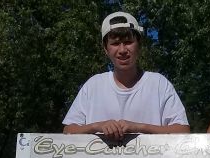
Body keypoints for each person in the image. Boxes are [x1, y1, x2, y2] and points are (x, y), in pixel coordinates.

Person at [63, 11, 190, 139]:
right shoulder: (93, 85)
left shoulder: (159, 84)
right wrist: (97, 126)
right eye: (115, 43)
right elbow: (68, 131)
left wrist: (138, 127)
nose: (122, 50)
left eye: (128, 42)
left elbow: (183, 131)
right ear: (105, 49)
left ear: (139, 44)